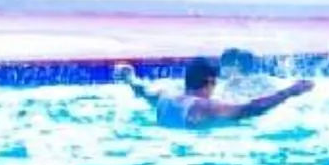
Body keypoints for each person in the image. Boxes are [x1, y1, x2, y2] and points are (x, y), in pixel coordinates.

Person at [115, 55, 311, 127]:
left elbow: (141, 89)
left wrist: (128, 78)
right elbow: (249, 109)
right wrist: (289, 92)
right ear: (210, 81)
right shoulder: (203, 107)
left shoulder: (164, 97)